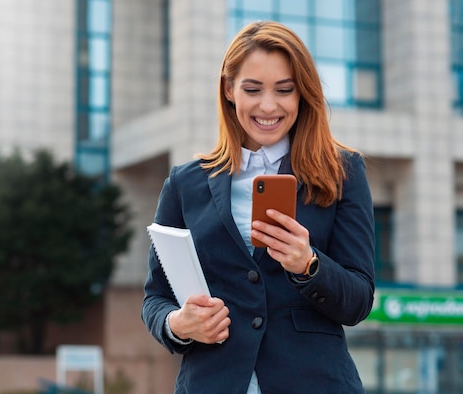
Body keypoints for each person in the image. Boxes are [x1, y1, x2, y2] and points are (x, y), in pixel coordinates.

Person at [141, 21, 375, 394]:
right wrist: (177, 324)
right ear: (229, 90)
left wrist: (309, 265)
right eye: (253, 89)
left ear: (302, 95)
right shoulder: (185, 183)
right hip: (211, 381)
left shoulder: (342, 172)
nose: (269, 105)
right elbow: (155, 296)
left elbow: (359, 300)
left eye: (284, 90)